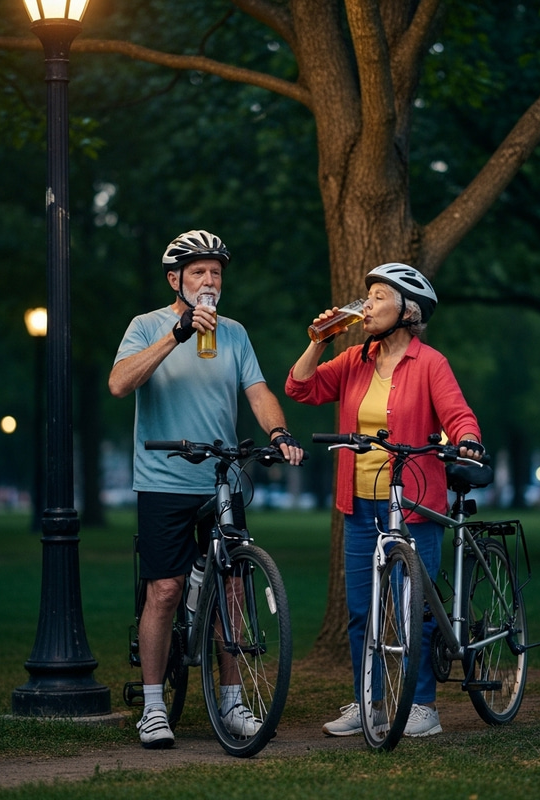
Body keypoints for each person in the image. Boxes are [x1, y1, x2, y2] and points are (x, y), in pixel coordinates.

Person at [109, 229, 304, 749]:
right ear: (176, 279)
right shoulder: (146, 326)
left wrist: (279, 433)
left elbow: (257, 390)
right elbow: (119, 382)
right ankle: (153, 707)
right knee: (165, 590)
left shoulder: (234, 333)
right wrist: (177, 334)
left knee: (234, 587)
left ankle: (233, 701)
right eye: (199, 272)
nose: (210, 280)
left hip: (223, 479)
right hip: (164, 481)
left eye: (216, 272)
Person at [285, 262, 484, 738]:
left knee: (412, 606)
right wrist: (319, 339)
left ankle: (422, 706)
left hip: (414, 501)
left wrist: (469, 440)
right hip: (360, 504)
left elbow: (458, 414)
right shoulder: (354, 359)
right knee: (362, 610)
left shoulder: (430, 362)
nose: (366, 305)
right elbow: (300, 387)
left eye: (377, 296)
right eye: (367, 296)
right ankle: (366, 701)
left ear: (407, 311)